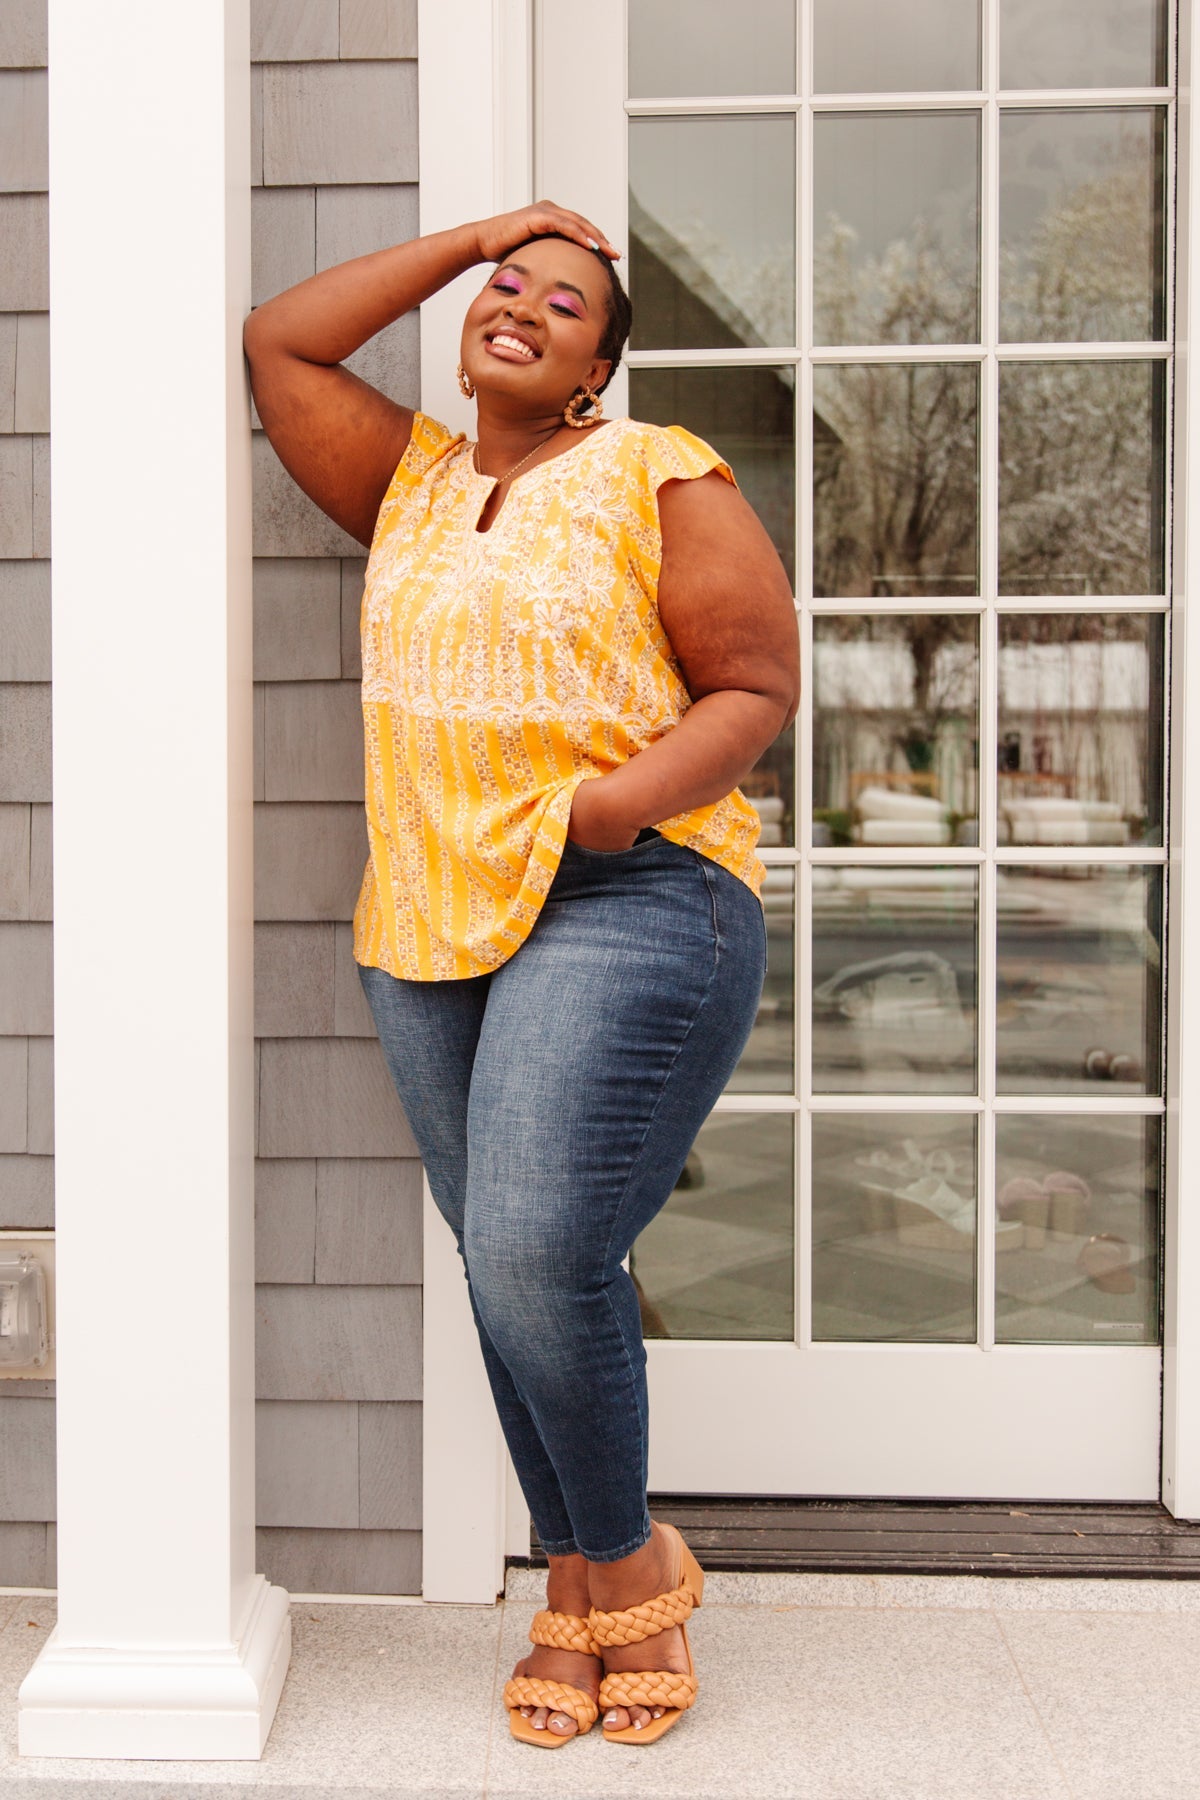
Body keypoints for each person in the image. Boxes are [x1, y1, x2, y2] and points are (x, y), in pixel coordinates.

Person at [244, 200, 799, 1749]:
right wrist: (475, 231)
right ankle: (582, 1579)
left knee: (542, 1243)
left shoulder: (653, 469)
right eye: (507, 285)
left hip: (628, 892)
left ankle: (621, 1577)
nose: (522, 302)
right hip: (426, 917)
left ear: (597, 371)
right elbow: (279, 339)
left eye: (565, 303)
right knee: (510, 1263)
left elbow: (757, 680)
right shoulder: (412, 482)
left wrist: (615, 804)